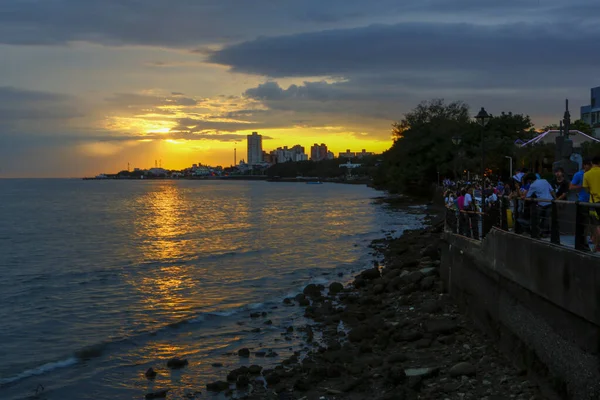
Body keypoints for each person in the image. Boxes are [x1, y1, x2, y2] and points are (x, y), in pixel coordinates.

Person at [583, 156, 600, 251]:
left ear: (592, 163)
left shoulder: (587, 174)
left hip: (593, 202)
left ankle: (597, 246)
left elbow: (586, 189)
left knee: (596, 225)